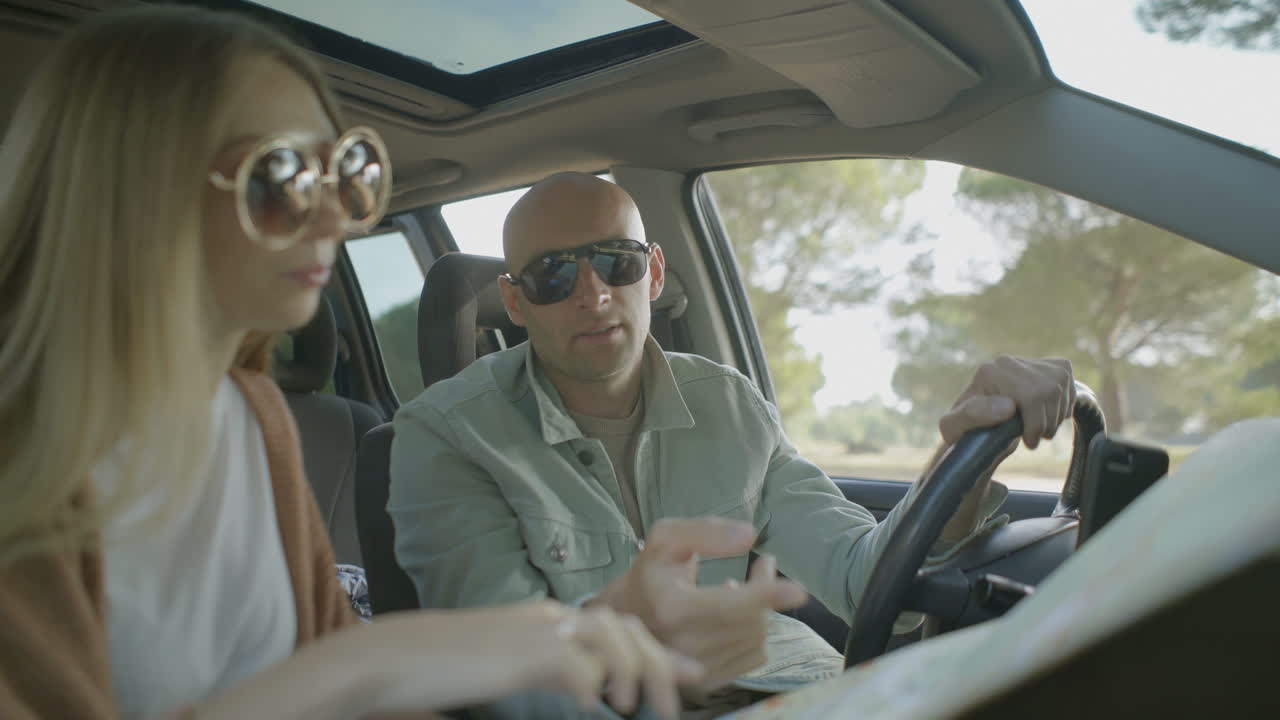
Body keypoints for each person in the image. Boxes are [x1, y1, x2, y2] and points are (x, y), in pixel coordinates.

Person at [0, 9, 703, 719]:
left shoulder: (253, 416)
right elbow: (339, 672)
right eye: (280, 179)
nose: (339, 219)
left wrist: (573, 636)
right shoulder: (26, 464)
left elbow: (340, 684)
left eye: (345, 174)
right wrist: (374, 661)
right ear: (134, 190)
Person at [388, 172, 1076, 717]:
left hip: (805, 690)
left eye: (614, 262)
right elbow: (518, 679)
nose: (592, 295)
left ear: (653, 273)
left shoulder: (730, 401)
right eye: (553, 276)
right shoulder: (447, 436)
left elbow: (869, 581)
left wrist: (961, 453)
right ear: (514, 303)